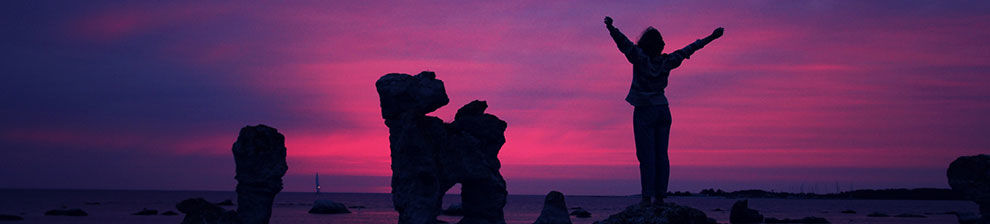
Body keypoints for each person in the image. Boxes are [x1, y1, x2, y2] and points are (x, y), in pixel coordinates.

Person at [603, 16, 723, 206]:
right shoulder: (667, 61)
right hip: (663, 110)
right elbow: (690, 48)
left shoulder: (640, 58)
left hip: (645, 109)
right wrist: (712, 37)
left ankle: (646, 197)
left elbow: (623, 43)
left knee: (646, 155)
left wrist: (611, 27)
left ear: (643, 44)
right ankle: (660, 196)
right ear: (660, 45)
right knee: (662, 155)